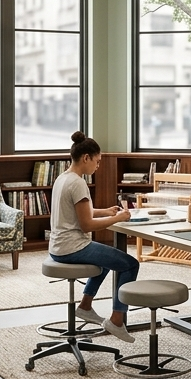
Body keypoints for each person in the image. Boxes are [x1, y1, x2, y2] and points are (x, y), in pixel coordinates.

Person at [50, 131, 139, 343]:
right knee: (129, 264)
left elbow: (79, 213)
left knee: (109, 258)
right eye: (97, 162)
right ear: (86, 158)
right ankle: (117, 320)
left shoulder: (63, 178)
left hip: (58, 247)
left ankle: (85, 306)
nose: (98, 167)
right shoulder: (78, 183)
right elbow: (86, 224)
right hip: (72, 248)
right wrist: (117, 218)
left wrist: (105, 211)